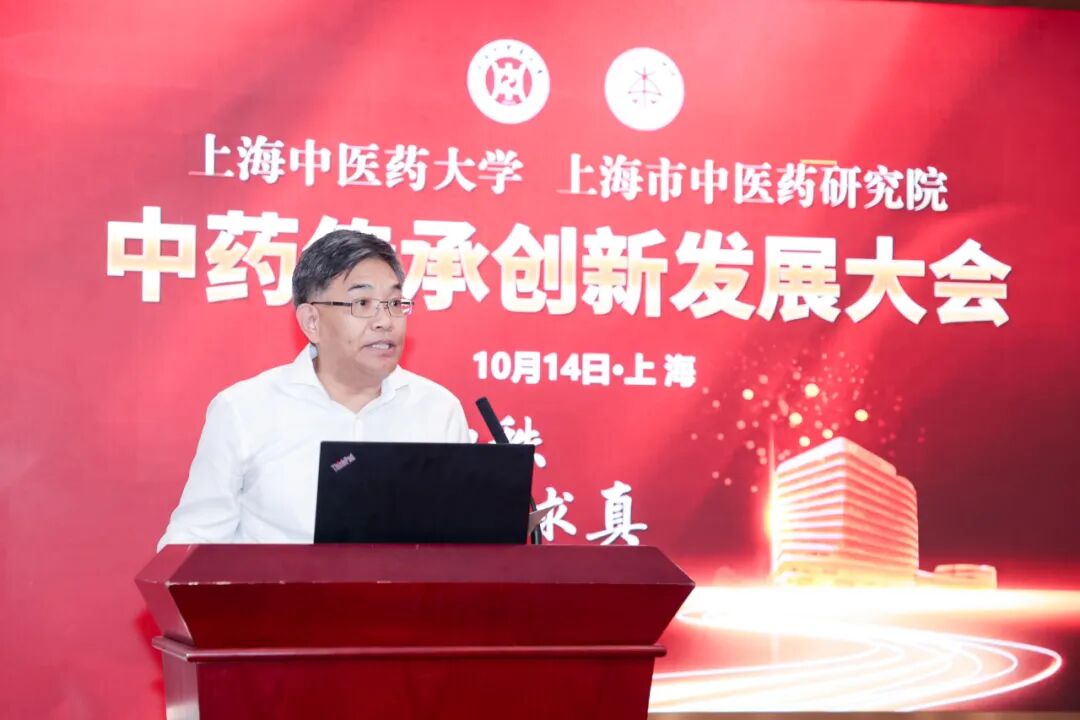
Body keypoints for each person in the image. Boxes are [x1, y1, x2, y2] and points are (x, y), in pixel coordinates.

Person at [157, 230, 469, 549]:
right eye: (362, 303)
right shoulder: (243, 410)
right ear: (312, 322)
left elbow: (459, 542)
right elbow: (191, 542)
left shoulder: (439, 410)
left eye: (394, 303)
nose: (385, 321)